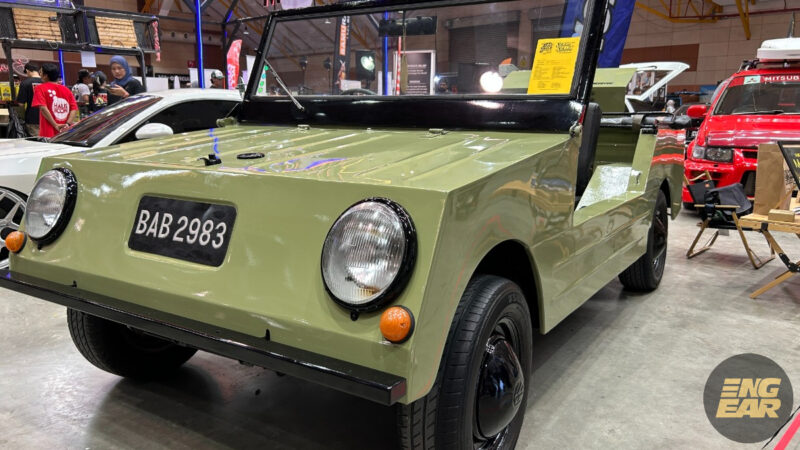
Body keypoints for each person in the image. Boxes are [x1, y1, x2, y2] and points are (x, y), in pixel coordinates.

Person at [31, 63, 78, 138]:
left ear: (45, 75)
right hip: (65, 133)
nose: (40, 74)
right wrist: (68, 124)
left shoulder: (40, 88)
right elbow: (74, 109)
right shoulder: (66, 90)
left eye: (41, 72)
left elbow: (43, 108)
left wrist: (55, 125)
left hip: (48, 132)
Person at [15, 62, 42, 137]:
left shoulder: (25, 83)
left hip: (33, 118)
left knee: (36, 141)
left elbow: (21, 104)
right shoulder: (46, 82)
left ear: (27, 70)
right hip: (48, 118)